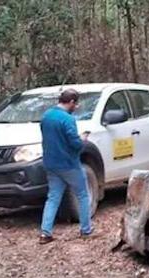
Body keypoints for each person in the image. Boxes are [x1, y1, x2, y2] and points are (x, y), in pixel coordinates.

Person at [38, 89, 93, 244]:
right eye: (76, 104)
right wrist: (82, 140)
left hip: (51, 163)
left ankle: (45, 233)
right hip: (69, 164)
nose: (76, 107)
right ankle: (86, 229)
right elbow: (74, 144)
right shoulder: (68, 119)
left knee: (53, 198)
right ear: (71, 102)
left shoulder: (46, 116)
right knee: (82, 195)